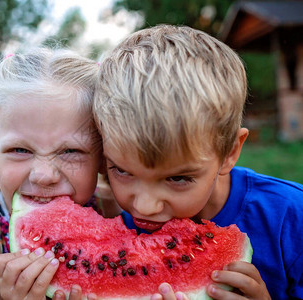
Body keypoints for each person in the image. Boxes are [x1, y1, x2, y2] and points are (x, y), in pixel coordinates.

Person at [93, 24, 303, 300]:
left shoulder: (291, 216)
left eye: (178, 178)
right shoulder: (105, 218)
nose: (144, 206)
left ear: (229, 152)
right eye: (120, 170)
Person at [0, 48, 117, 300]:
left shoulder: (113, 212)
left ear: (102, 154)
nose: (44, 175)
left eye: (71, 151)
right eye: (19, 149)